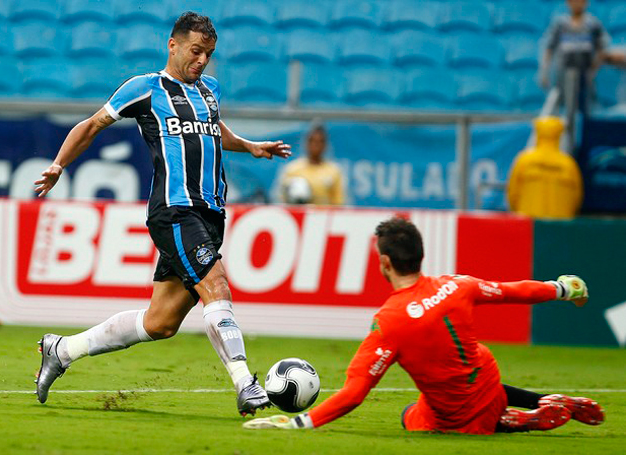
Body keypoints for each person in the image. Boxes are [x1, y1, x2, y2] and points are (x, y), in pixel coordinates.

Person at [33, 12, 291, 416]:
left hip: (210, 215)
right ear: (173, 46)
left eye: (208, 53)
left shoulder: (210, 91)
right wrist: (59, 165)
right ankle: (245, 383)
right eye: (195, 51)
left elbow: (214, 129)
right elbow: (91, 125)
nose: (202, 60)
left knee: (161, 322)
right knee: (216, 283)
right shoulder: (144, 89)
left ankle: (62, 350)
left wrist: (250, 145)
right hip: (173, 211)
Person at [243, 217, 604, 433]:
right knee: (467, 370)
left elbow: (354, 393)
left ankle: (516, 421)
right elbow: (512, 291)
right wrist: (560, 288)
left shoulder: (389, 322)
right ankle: (538, 400)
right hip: (488, 382)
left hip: (457, 415)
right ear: (421, 255)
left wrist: (297, 422)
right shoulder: (457, 285)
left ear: (385, 262)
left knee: (409, 417)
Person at [540, 0, 610, 113]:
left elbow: (602, 47)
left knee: (585, 107)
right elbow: (549, 48)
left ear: (586, 3)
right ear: (568, 3)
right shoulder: (560, 24)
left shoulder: (593, 24)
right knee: (560, 106)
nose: (577, 4)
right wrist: (544, 71)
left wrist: (594, 69)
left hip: (584, 75)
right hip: (563, 74)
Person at [507, 116, 583, 219]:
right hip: (559, 226)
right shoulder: (568, 164)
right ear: (559, 135)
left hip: (529, 225)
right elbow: (577, 198)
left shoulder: (524, 160)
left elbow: (513, 194)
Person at [280, 124, 346, 206]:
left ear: (325, 145)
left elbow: (338, 202)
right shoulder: (293, 169)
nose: (316, 145)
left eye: (320, 142)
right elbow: (283, 198)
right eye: (312, 141)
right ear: (306, 143)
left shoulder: (334, 171)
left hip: (324, 216)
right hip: (299, 217)